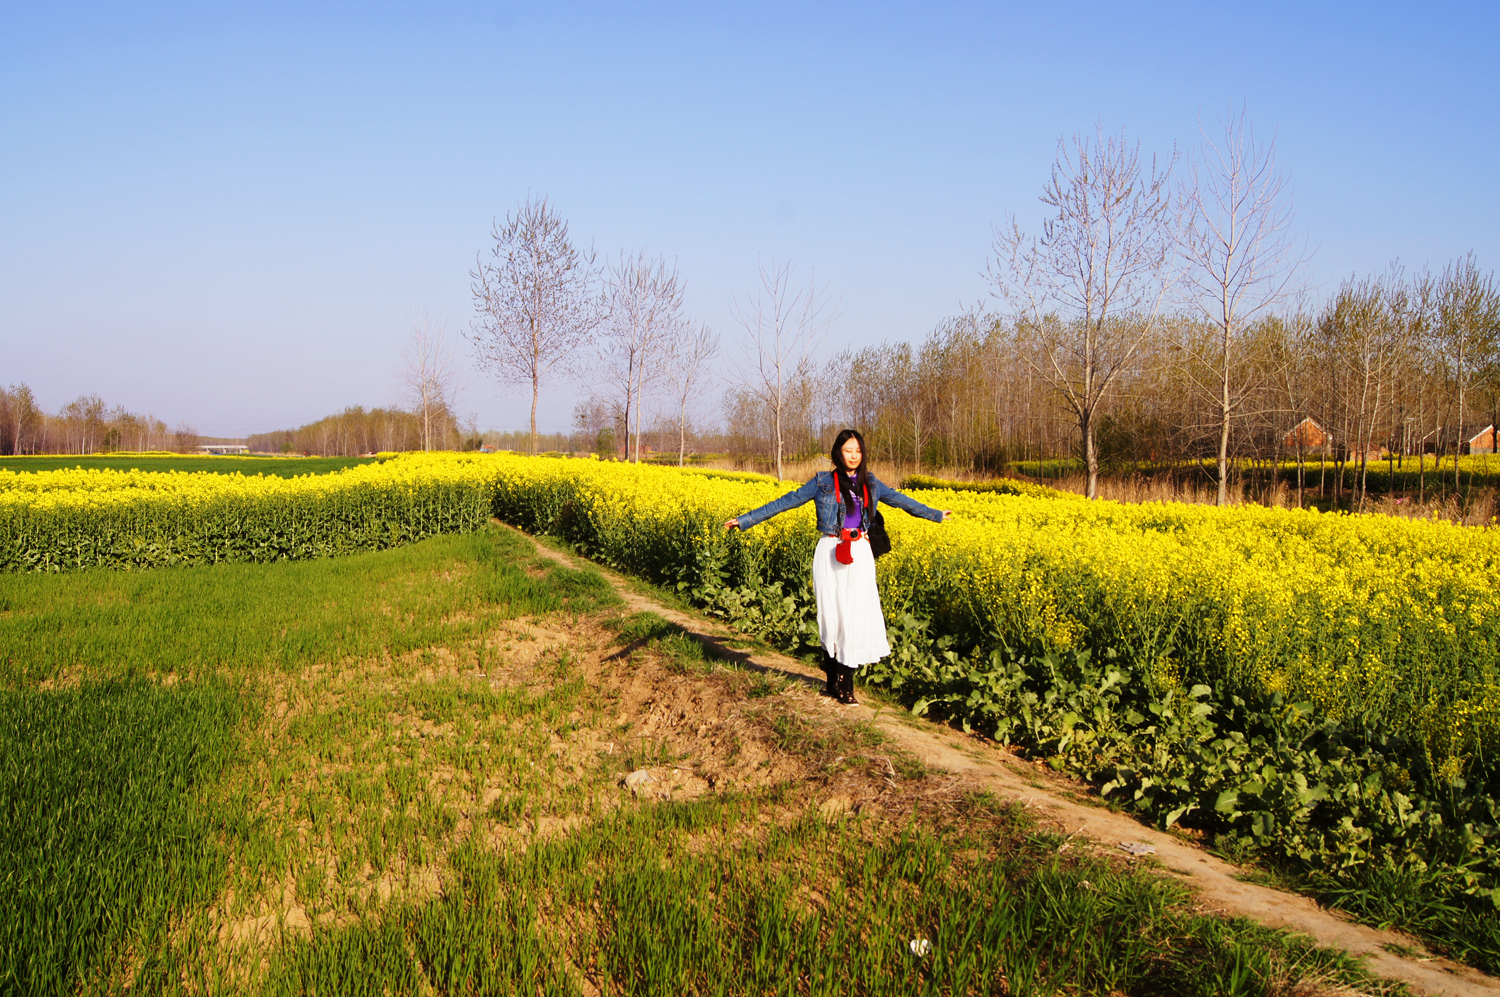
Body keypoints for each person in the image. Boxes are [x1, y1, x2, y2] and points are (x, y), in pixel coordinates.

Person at [723, 429, 950, 704]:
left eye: (858, 451)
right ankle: (832, 680)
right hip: (831, 550)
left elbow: (902, 501)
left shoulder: (872, 483)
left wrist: (936, 515)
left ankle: (845, 684)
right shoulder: (822, 482)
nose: (853, 456)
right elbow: (786, 502)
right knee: (833, 616)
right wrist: (745, 520)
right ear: (837, 453)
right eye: (848, 451)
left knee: (854, 617)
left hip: (860, 554)